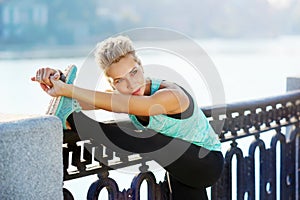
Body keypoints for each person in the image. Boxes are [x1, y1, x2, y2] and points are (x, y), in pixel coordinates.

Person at [31, 36, 224, 200]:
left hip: (205, 163)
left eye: (133, 72)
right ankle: (70, 119)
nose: (131, 84)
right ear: (112, 85)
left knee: (150, 138)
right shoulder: (123, 95)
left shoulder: (171, 95)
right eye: (119, 80)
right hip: (180, 168)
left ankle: (73, 121)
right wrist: (56, 81)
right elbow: (85, 101)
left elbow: (136, 106)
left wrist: (68, 91)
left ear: (141, 66)